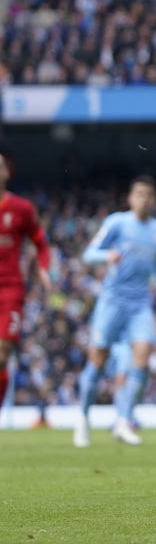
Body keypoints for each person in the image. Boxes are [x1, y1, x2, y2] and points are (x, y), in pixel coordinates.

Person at [75, 176, 156, 448]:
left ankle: (123, 420)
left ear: (154, 199)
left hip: (141, 303)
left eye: (149, 195)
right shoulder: (117, 223)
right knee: (98, 359)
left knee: (142, 355)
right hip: (113, 300)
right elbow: (89, 253)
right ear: (130, 198)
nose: (144, 199)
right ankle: (83, 418)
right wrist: (106, 256)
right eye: (139, 194)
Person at [0, 151, 53, 417]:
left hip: (10, 289)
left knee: (1, 355)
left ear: (6, 172)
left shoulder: (21, 209)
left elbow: (41, 243)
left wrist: (43, 268)